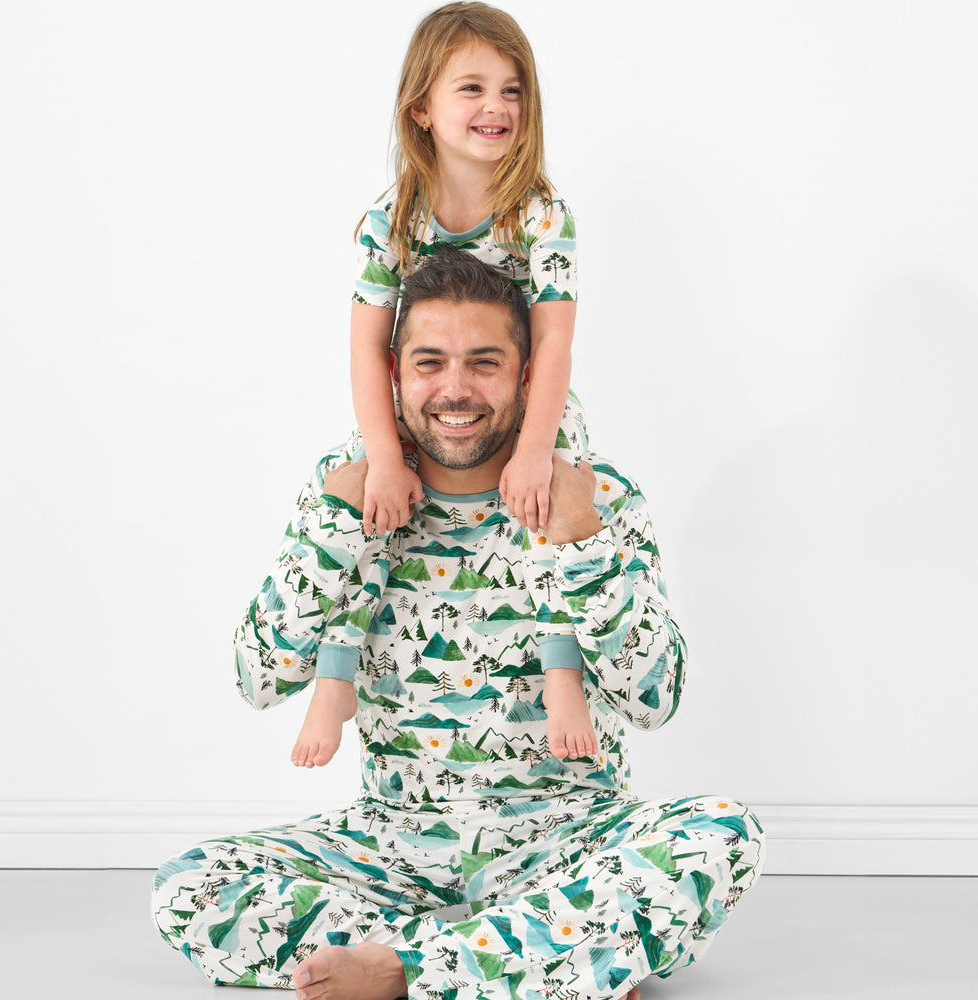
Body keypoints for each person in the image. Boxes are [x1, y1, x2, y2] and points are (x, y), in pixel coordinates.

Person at [151, 249, 766, 1000]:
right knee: (190, 886)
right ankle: (544, 960)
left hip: (567, 840)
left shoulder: (598, 493)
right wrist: (333, 529)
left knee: (722, 835)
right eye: (430, 362)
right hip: (391, 849)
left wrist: (583, 541)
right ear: (394, 376)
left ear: (527, 376)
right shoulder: (342, 488)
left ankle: (402, 971)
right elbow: (257, 680)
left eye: (483, 362)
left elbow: (652, 701)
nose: (454, 389)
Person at [294, 1, 593, 776]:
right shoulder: (390, 220)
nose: (496, 107)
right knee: (370, 512)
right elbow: (368, 347)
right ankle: (335, 673)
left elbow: (554, 337)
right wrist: (387, 454)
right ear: (421, 108)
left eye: (512, 89)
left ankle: (564, 673)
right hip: (421, 408)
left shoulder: (539, 211)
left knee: (553, 510)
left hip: (522, 406)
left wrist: (534, 449)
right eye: (472, 88)